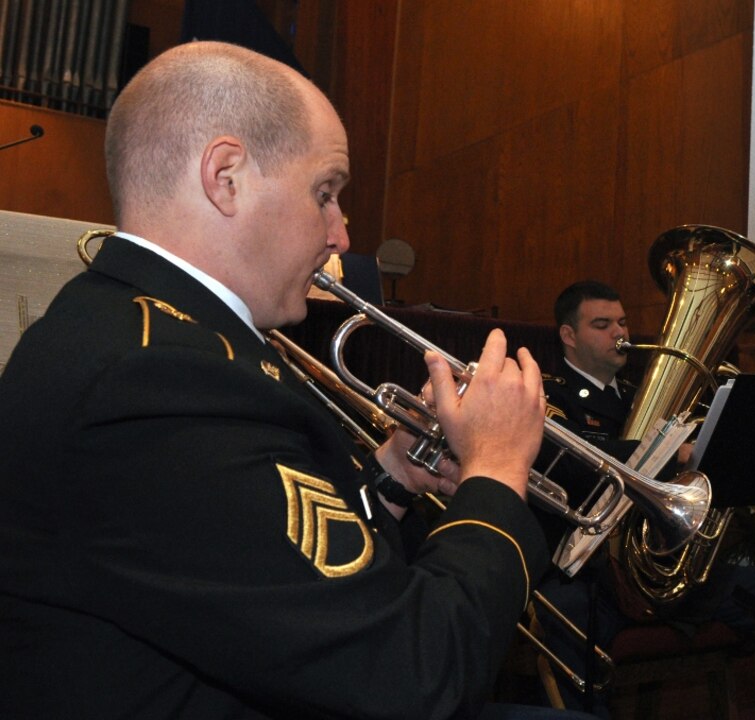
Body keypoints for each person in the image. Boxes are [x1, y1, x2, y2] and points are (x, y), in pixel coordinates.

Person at [0, 40, 594, 720]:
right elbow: (415, 674)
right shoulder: (155, 380)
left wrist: (392, 478)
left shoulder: (163, 335)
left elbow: (275, 564)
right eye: (326, 193)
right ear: (226, 177)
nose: (341, 235)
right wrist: (495, 472)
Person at [532, 280, 755, 719]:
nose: (618, 332)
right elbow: (569, 457)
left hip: (665, 569)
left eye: (622, 321)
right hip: (593, 575)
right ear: (568, 336)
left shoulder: (640, 395)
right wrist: (667, 453)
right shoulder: (549, 395)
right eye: (601, 324)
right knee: (565, 615)